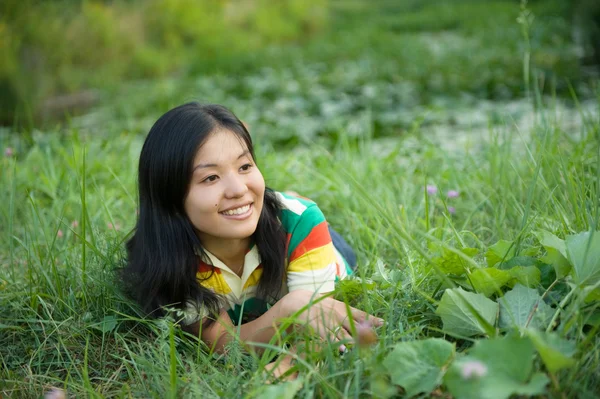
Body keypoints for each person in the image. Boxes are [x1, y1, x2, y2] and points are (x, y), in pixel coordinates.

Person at [122, 102, 383, 380]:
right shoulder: (169, 259)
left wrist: (291, 364)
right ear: (170, 197)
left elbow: (316, 326)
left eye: (245, 166)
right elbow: (223, 343)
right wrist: (288, 309)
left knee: (304, 219)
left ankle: (288, 204)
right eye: (211, 177)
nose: (238, 189)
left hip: (311, 247)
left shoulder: (301, 226)